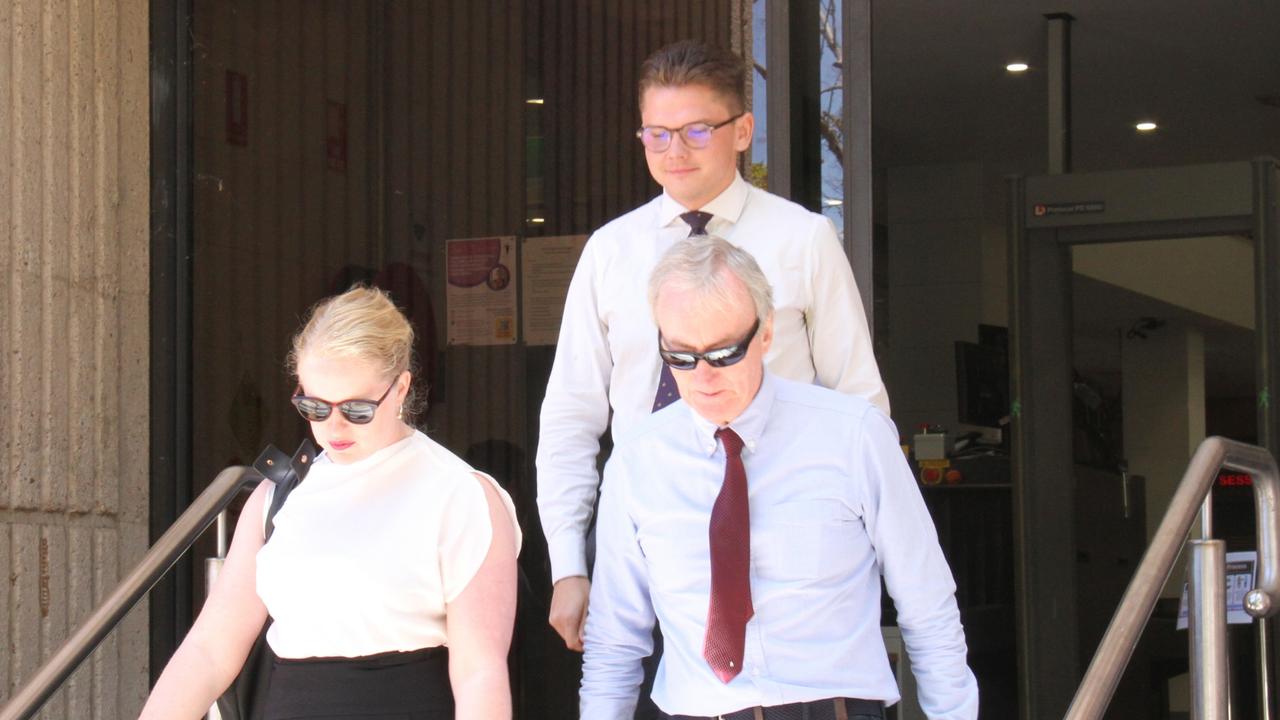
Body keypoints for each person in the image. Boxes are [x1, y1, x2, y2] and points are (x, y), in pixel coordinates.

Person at [537, 39, 889, 656]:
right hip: (641, 534)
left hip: (782, 532)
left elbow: (860, 402)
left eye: (698, 130)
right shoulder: (610, 251)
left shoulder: (803, 238)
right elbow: (572, 416)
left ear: (743, 130)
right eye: (657, 134)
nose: (675, 151)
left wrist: (860, 543)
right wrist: (569, 562)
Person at [580, 235, 978, 720]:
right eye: (681, 357)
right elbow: (614, 640)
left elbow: (926, 602)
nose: (703, 377)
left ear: (766, 333)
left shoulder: (852, 436)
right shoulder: (638, 459)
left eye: (724, 353)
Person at [140, 286, 521, 720]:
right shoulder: (278, 497)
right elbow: (209, 651)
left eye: (357, 409)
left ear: (400, 389)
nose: (334, 426)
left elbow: (479, 673)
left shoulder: (460, 494)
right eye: (314, 407)